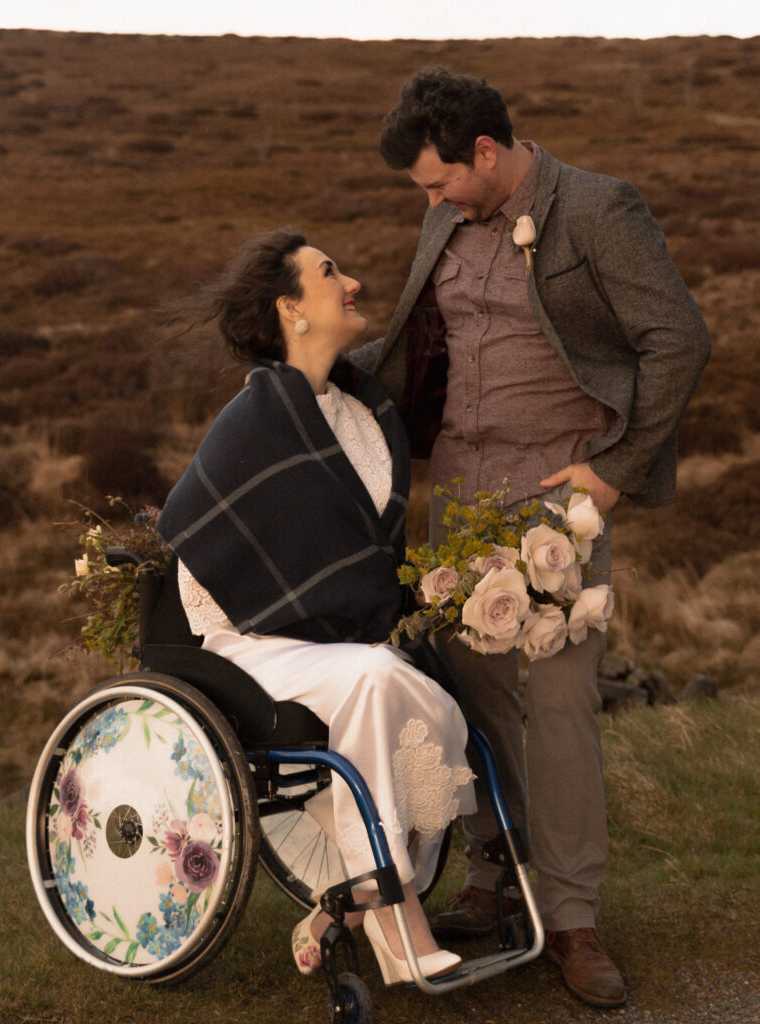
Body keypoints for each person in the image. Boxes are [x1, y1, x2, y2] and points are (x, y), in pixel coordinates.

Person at [351, 68, 710, 1008]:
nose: (429, 202)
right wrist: (295, 363)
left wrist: (614, 470)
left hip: (559, 498)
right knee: (463, 697)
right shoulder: (446, 219)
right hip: (459, 498)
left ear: (485, 152)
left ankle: (576, 917)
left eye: (437, 182)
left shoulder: (597, 207)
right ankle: (492, 879)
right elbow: (414, 340)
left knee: (556, 703)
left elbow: (679, 336)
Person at [157, 228, 476, 986]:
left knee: (440, 708)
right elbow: (202, 546)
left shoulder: (366, 413)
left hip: (343, 642)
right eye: (332, 273)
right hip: (251, 640)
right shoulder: (255, 419)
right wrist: (305, 610)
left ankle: (353, 898)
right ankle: (399, 917)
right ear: (292, 309)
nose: (354, 282)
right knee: (374, 681)